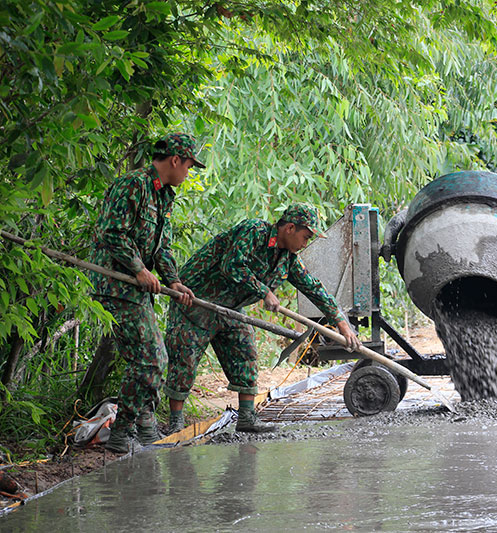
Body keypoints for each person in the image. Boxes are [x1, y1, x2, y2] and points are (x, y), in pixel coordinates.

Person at [163, 204, 361, 434]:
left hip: (231, 309)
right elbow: (232, 265)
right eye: (305, 237)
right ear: (289, 228)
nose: (305, 244)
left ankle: (246, 417)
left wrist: (342, 324)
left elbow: (313, 288)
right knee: (184, 360)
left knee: (245, 353)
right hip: (196, 300)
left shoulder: (287, 259)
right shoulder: (253, 232)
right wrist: (264, 292)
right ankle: (175, 422)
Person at [90, 133, 200, 453]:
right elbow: (111, 232)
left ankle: (145, 424)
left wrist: (173, 280)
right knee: (152, 359)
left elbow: (161, 246)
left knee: (146, 360)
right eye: (190, 166)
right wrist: (139, 269)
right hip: (117, 286)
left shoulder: (164, 196)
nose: (188, 173)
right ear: (175, 160)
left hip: (139, 291)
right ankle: (122, 432)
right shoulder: (133, 185)